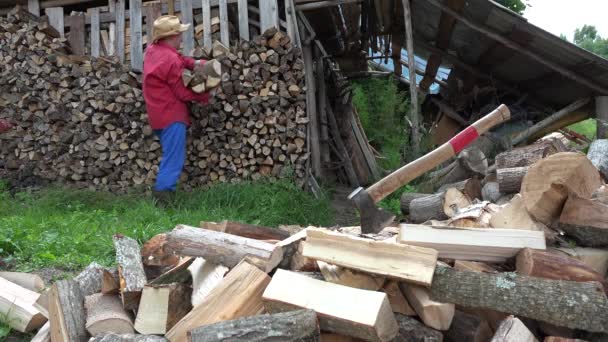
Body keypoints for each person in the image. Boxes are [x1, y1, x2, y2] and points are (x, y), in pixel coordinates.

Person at [142, 15, 212, 205]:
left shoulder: (153, 51)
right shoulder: (170, 59)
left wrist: (196, 63)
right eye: (179, 34)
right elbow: (182, 92)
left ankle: (161, 202)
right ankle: (162, 204)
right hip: (172, 115)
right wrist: (204, 96)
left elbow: (179, 59)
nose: (181, 38)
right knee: (173, 161)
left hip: (157, 115)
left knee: (169, 157)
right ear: (171, 36)